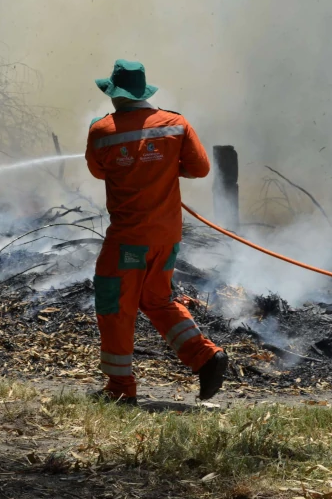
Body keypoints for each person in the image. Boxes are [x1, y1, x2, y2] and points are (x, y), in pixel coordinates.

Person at [85, 59, 228, 404]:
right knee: (157, 299)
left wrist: (134, 167)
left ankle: (120, 389)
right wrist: (165, 167)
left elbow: (98, 172)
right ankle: (207, 357)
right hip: (166, 239)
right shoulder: (176, 124)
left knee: (115, 303)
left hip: (128, 241)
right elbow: (200, 169)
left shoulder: (102, 131)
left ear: (116, 94)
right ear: (143, 91)